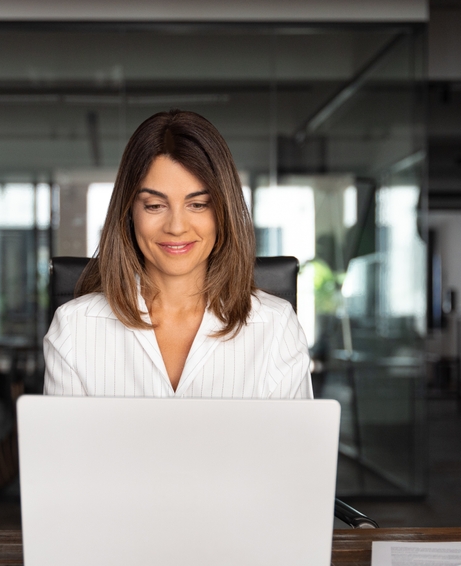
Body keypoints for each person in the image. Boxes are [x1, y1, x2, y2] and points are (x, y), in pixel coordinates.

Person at [44, 109, 312, 399]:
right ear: (129, 212)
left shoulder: (276, 327)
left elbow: (295, 446)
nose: (176, 227)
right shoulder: (74, 328)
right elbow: (60, 446)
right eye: (154, 206)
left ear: (224, 212)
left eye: (198, 205)